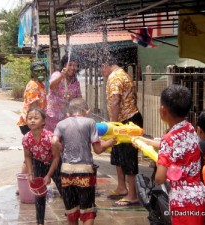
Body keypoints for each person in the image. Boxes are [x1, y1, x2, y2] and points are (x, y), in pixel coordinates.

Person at [51, 98, 116, 225]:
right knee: (87, 211)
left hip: (66, 171)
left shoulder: (61, 124)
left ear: (68, 113)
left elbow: (53, 141)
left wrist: (62, 148)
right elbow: (97, 149)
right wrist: (110, 142)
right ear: (86, 111)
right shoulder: (90, 122)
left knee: (72, 211)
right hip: (85, 171)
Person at [155, 84, 205, 225]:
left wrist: (162, 164)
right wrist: (143, 141)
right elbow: (174, 146)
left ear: (163, 110)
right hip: (199, 195)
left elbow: (159, 178)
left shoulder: (169, 139)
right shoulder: (189, 127)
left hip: (183, 201)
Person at [101, 55, 143, 206]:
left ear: (105, 65)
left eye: (101, 70)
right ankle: (121, 187)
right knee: (118, 155)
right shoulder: (122, 74)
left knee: (128, 157)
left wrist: (113, 125)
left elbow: (115, 100)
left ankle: (132, 195)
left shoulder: (114, 77)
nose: (102, 73)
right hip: (125, 120)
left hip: (127, 122)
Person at [22, 107, 62, 225]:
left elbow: (56, 157)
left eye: (36, 118)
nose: (32, 121)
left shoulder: (50, 137)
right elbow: (28, 157)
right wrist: (30, 173)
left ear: (43, 122)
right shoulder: (26, 138)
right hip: (38, 163)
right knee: (39, 194)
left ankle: (72, 214)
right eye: (30, 118)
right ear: (26, 121)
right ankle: (40, 221)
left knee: (64, 191)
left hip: (54, 164)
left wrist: (49, 175)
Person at [16, 61, 48, 195]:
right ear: (32, 73)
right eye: (37, 71)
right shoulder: (33, 86)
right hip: (30, 123)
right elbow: (34, 111)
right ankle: (24, 185)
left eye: (43, 70)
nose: (40, 73)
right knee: (31, 155)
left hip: (35, 122)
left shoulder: (40, 84)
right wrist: (37, 126)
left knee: (31, 155)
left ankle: (27, 185)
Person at [46, 54, 82, 132]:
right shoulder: (57, 75)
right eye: (70, 65)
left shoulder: (75, 82)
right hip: (53, 116)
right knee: (53, 140)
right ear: (64, 65)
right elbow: (52, 86)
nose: (72, 68)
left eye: (75, 65)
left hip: (66, 117)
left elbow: (79, 99)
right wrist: (62, 75)